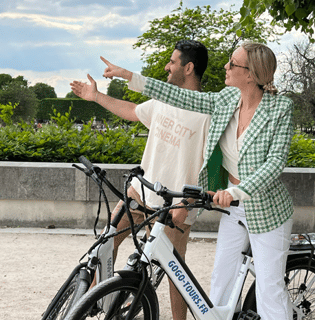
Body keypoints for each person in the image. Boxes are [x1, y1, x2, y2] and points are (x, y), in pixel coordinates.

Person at [100, 42, 295, 320]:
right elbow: (179, 97)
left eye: (233, 64)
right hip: (232, 209)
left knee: (270, 290)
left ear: (251, 74)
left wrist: (239, 189)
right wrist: (131, 76)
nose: (226, 66)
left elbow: (275, 162)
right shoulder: (227, 99)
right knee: (219, 285)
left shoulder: (280, 109)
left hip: (266, 210)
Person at [69, 39, 211, 320]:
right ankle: (93, 307)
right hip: (140, 192)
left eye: (173, 61)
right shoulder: (164, 99)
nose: (167, 66)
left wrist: (189, 202)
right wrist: (97, 97)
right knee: (105, 244)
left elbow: (211, 167)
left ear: (189, 67)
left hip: (175, 205)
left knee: (175, 273)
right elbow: (133, 112)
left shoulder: (208, 111)